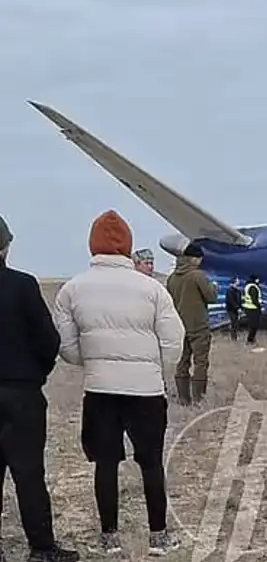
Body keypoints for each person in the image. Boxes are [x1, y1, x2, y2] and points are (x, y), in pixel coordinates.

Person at [52, 210, 184, 556]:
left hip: (100, 390)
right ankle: (159, 536)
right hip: (146, 391)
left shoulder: (72, 289)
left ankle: (109, 537)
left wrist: (94, 361)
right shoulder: (152, 289)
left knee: (106, 464)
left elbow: (66, 347)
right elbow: (174, 340)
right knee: (152, 462)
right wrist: (155, 369)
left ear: (92, 245)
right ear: (127, 246)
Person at [0, 215, 80, 562]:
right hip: (21, 394)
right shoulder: (23, 286)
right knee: (29, 473)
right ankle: (42, 549)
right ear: (5, 247)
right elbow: (48, 341)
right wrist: (36, 374)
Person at [166, 241, 217, 405]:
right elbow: (211, 297)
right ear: (194, 259)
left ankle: (183, 398)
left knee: (182, 361)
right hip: (198, 325)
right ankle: (198, 399)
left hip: (179, 325)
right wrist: (214, 287)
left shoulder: (172, 278)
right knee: (200, 362)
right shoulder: (197, 275)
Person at [242, 275, 261, 345]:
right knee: (254, 325)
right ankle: (250, 339)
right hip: (253, 308)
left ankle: (251, 339)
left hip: (249, 307)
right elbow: (254, 299)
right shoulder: (253, 287)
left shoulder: (248, 286)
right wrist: (259, 307)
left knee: (253, 325)